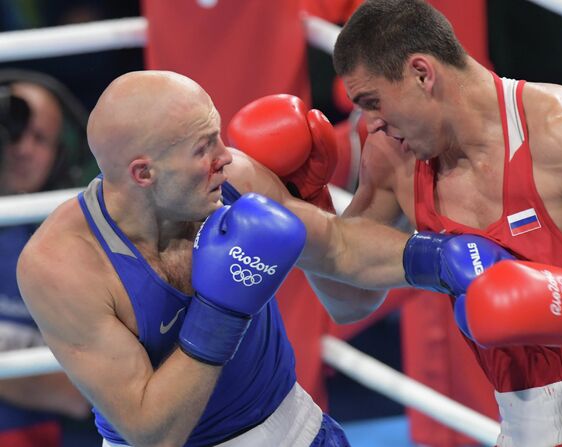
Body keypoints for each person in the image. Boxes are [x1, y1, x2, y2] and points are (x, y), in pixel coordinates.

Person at [15, 69, 435, 447]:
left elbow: (340, 251)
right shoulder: (62, 265)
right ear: (143, 173)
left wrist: (442, 258)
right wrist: (220, 312)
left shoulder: (232, 182)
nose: (226, 157)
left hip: (296, 431)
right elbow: (152, 432)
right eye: (203, 147)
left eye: (217, 135)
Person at [324, 0, 562, 445]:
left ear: (423, 73)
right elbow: (348, 300)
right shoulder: (395, 158)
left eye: (373, 102)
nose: (372, 124)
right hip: (526, 431)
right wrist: (309, 201)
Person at [0, 78, 91, 446]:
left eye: (40, 138)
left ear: (61, 152)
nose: (22, 149)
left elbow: (77, 395)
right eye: (13, 131)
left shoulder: (76, 238)